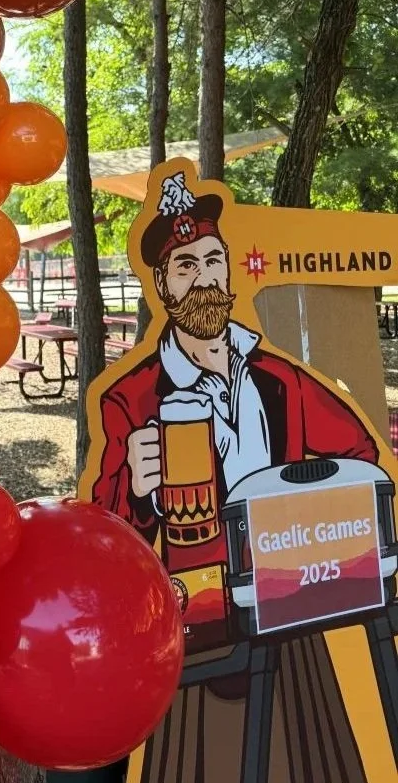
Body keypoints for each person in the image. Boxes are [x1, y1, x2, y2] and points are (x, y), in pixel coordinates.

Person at [89, 171, 380, 783]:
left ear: (229, 271)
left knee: (313, 760)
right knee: (206, 762)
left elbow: (360, 457)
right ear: (162, 285)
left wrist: (308, 507)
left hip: (289, 612)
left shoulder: (280, 379)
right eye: (185, 265)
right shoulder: (132, 399)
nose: (205, 277)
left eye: (213, 260)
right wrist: (138, 495)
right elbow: (105, 536)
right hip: (198, 626)